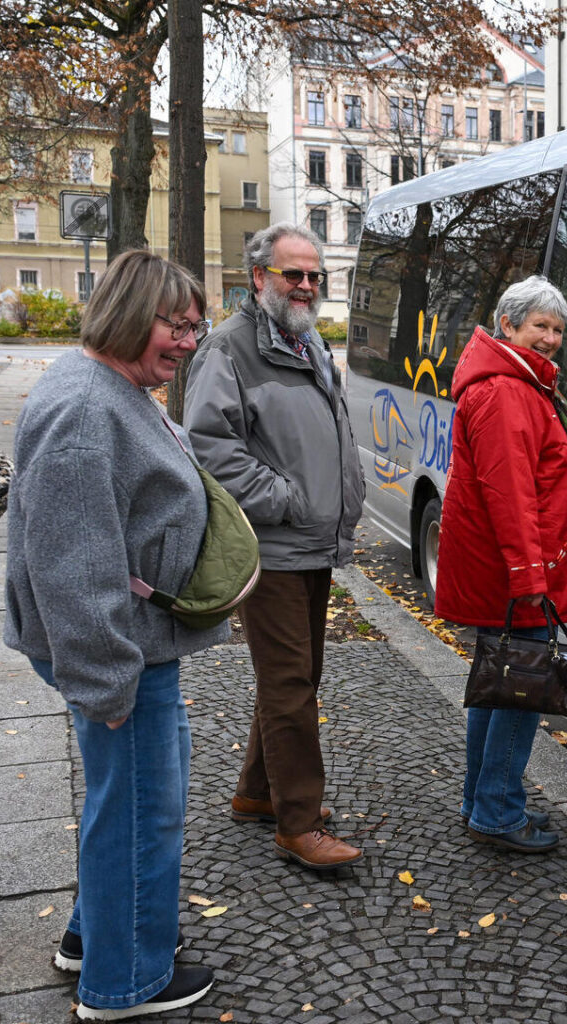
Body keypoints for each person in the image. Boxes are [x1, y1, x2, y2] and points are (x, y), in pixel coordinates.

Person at [4, 250, 223, 1021]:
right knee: (138, 812)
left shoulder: (107, 386)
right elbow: (73, 563)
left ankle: (92, 940)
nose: (189, 341)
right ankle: (124, 982)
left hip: (131, 644)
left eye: (197, 326)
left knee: (121, 802)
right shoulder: (86, 408)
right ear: (132, 314)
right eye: (178, 324)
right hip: (120, 654)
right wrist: (106, 684)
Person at [186, 224, 365, 872]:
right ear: (259, 277)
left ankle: (257, 793)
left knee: (295, 677)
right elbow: (208, 446)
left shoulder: (306, 339)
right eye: (295, 274)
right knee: (292, 685)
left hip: (314, 543)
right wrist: (285, 498)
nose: (308, 285)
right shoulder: (231, 348)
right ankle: (299, 822)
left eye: (314, 275)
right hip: (273, 546)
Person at [433, 275, 567, 853]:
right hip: (516, 576)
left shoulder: (516, 382)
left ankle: (483, 800)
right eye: (540, 326)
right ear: (508, 325)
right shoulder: (506, 391)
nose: (551, 338)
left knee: (501, 684)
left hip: (505, 570)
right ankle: (497, 813)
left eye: (557, 329)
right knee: (520, 690)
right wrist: (531, 577)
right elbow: (511, 494)